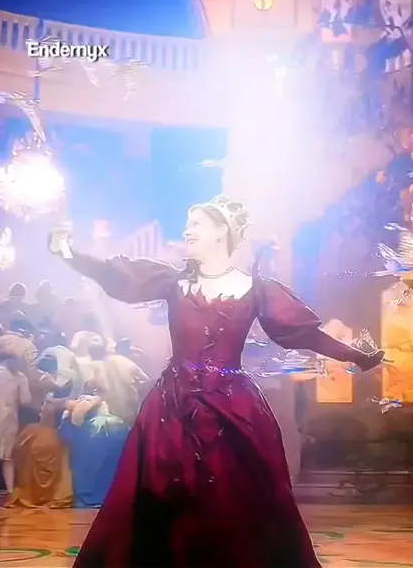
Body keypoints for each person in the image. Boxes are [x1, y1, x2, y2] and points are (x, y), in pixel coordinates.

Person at [50, 195, 384, 568]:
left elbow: (304, 333)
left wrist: (355, 356)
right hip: (171, 410)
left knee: (236, 500)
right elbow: (117, 276)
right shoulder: (173, 282)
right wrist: (70, 253)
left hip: (233, 410)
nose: (186, 231)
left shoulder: (258, 289)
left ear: (221, 231)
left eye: (195, 224)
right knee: (161, 497)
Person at [58, 391, 129, 508]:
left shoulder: (78, 423)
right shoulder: (119, 423)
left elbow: (65, 437)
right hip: (115, 496)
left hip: (84, 496)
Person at [7, 398, 73, 508]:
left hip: (30, 489)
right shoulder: (62, 438)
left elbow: (15, 451)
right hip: (54, 490)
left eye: (42, 409)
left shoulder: (31, 431)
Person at [0, 352, 31, 497]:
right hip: (7, 419)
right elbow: (25, 400)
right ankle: (10, 493)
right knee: (7, 457)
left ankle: (10, 492)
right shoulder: (20, 377)